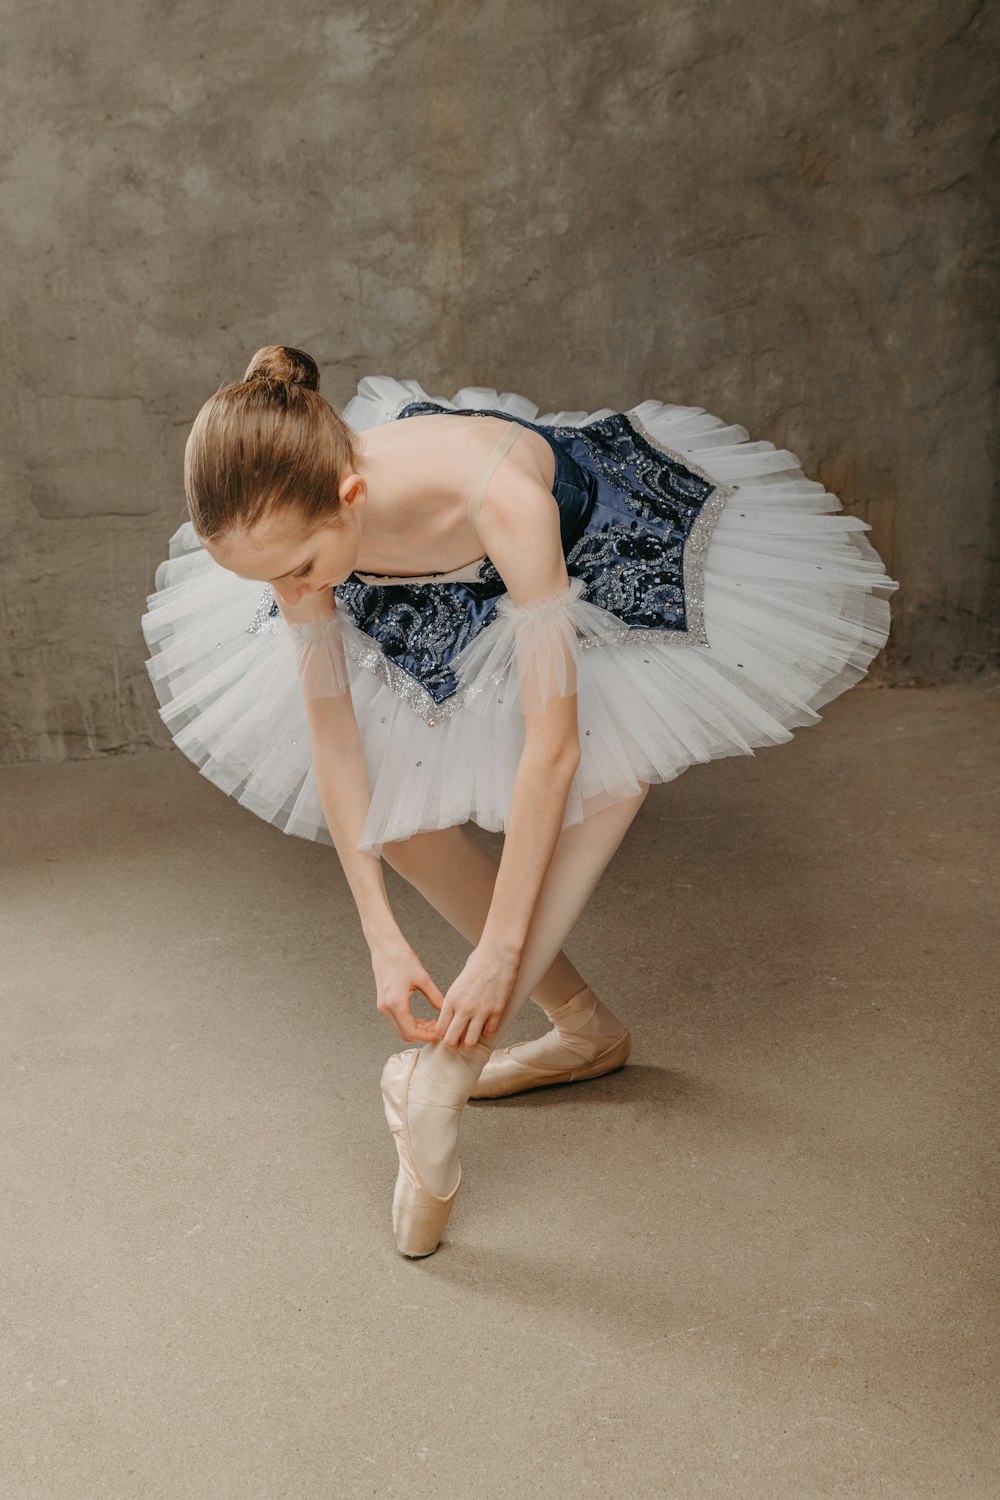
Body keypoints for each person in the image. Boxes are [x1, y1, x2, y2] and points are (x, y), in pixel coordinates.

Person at [141, 345, 899, 1258]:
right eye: (266, 582)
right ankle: (586, 1029)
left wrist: (498, 954)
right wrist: (382, 939)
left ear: (346, 498)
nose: (292, 596)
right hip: (442, 591)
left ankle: (444, 1079)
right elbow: (335, 739)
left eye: (297, 570)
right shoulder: (304, 555)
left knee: (608, 785)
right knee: (407, 827)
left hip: (580, 555)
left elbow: (556, 751)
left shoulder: (499, 496)